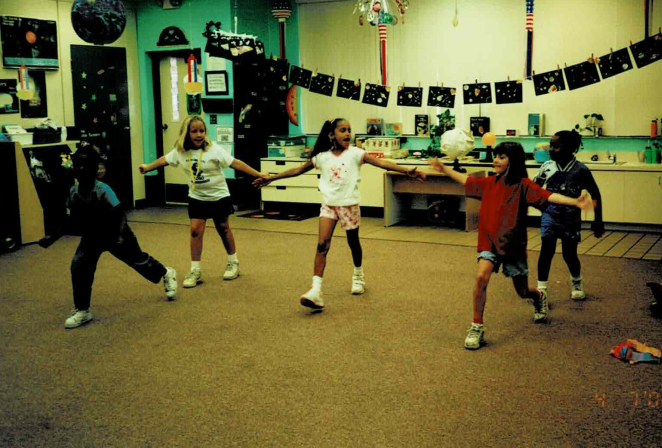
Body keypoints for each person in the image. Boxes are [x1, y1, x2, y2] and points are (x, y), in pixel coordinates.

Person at [430, 141, 594, 350]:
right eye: (495, 156)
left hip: (513, 246)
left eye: (501, 157)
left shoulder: (524, 185)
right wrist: (444, 168)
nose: (495, 160)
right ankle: (477, 327)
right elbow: (466, 180)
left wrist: (575, 202)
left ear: (513, 161)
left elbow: (548, 196)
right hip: (489, 242)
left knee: (522, 291)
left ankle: (538, 296)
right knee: (481, 277)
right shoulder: (489, 182)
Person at [255, 118, 426, 310]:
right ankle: (316, 291)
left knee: (353, 242)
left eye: (349, 130)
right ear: (332, 135)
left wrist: (407, 171)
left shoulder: (356, 153)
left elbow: (382, 163)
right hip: (329, 205)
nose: (347, 134)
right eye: (342, 130)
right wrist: (272, 178)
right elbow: (298, 169)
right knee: (322, 245)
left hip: (349, 205)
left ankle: (358, 275)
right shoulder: (322, 157)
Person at [39, 145, 178, 329]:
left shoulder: (102, 190)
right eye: (78, 165)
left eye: (86, 165)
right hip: (92, 236)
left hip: (116, 233)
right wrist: (53, 237)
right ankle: (82, 309)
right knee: (79, 265)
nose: (81, 169)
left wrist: (119, 235)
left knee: (138, 260)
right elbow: (71, 220)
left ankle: (166, 273)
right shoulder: (74, 192)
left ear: (95, 169)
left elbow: (120, 214)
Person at [139, 115, 269, 288]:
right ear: (186, 133)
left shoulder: (213, 149)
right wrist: (148, 167)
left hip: (218, 196)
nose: (199, 135)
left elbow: (235, 163)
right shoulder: (180, 151)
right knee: (195, 231)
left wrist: (258, 174)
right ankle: (195, 270)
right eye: (194, 131)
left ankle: (233, 263)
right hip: (197, 197)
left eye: (202, 131)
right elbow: (165, 160)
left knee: (223, 228)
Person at [532, 130, 604, 300]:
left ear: (571, 149)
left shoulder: (581, 170)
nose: (551, 149)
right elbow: (533, 189)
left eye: (556, 146)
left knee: (569, 254)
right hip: (550, 216)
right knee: (546, 250)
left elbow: (595, 194)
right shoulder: (547, 167)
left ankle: (576, 282)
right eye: (551, 145)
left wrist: (598, 220)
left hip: (571, 219)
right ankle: (541, 290)